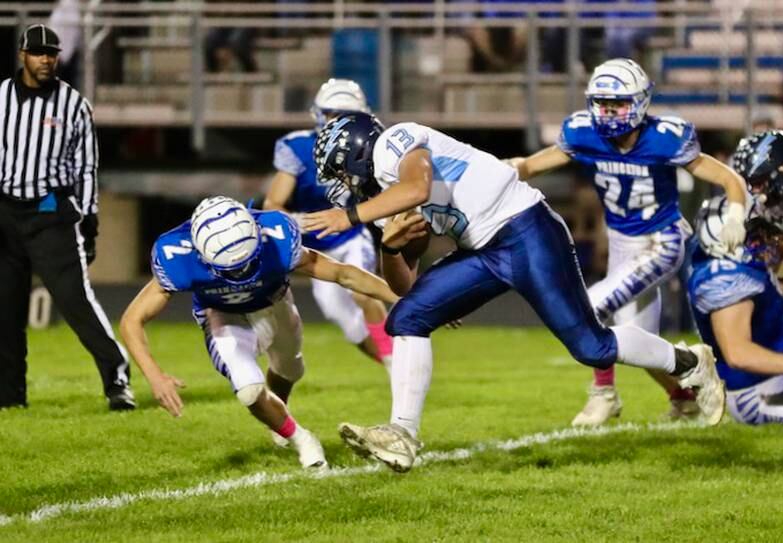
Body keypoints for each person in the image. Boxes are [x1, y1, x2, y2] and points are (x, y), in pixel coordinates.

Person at [304, 111, 724, 473]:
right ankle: (402, 434)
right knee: (408, 316)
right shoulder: (381, 201)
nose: (342, 185)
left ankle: (689, 361)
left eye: (340, 172)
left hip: (526, 229)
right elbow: (404, 285)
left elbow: (415, 188)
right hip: (483, 251)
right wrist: (389, 246)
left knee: (590, 346)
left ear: (356, 151)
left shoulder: (396, 142)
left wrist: (349, 216)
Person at [507, 58, 747, 427]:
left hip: (660, 241)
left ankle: (606, 393)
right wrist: (494, 169)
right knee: (638, 343)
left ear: (640, 102)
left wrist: (735, 214)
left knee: (587, 309)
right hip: (621, 244)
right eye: (602, 103)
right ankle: (684, 398)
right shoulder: (583, 132)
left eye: (617, 103)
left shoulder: (665, 138)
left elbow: (728, 177)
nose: (608, 112)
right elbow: (531, 165)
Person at [119, 196, 400, 469]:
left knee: (291, 370)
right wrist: (155, 377)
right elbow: (132, 320)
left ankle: (280, 414)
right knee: (249, 389)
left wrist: (405, 298)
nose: (242, 274)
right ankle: (302, 439)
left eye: (247, 262)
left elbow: (343, 274)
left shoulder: (276, 236)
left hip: (276, 302)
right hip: (222, 315)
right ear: (199, 252)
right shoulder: (176, 255)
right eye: (233, 268)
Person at [0, 24, 134, 411]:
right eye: (39, 52)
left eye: (52, 53)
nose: (46, 59)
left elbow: (87, 167)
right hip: (6, 214)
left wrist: (90, 220)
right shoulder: (1, 98)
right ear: (22, 55)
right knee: (5, 311)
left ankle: (116, 378)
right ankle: (10, 397)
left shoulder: (74, 105)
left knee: (76, 302)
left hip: (50, 213)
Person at [264, 79, 393, 372]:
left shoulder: (369, 145)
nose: (339, 122)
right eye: (333, 114)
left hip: (349, 237)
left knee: (363, 292)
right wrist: (300, 221)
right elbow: (273, 203)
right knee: (342, 316)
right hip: (315, 245)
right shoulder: (298, 147)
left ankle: (397, 363)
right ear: (320, 114)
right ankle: (391, 361)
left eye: (347, 115)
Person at [688, 131, 783, 423]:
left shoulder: (751, 252)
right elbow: (738, 354)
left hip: (779, 354)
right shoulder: (725, 274)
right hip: (761, 394)